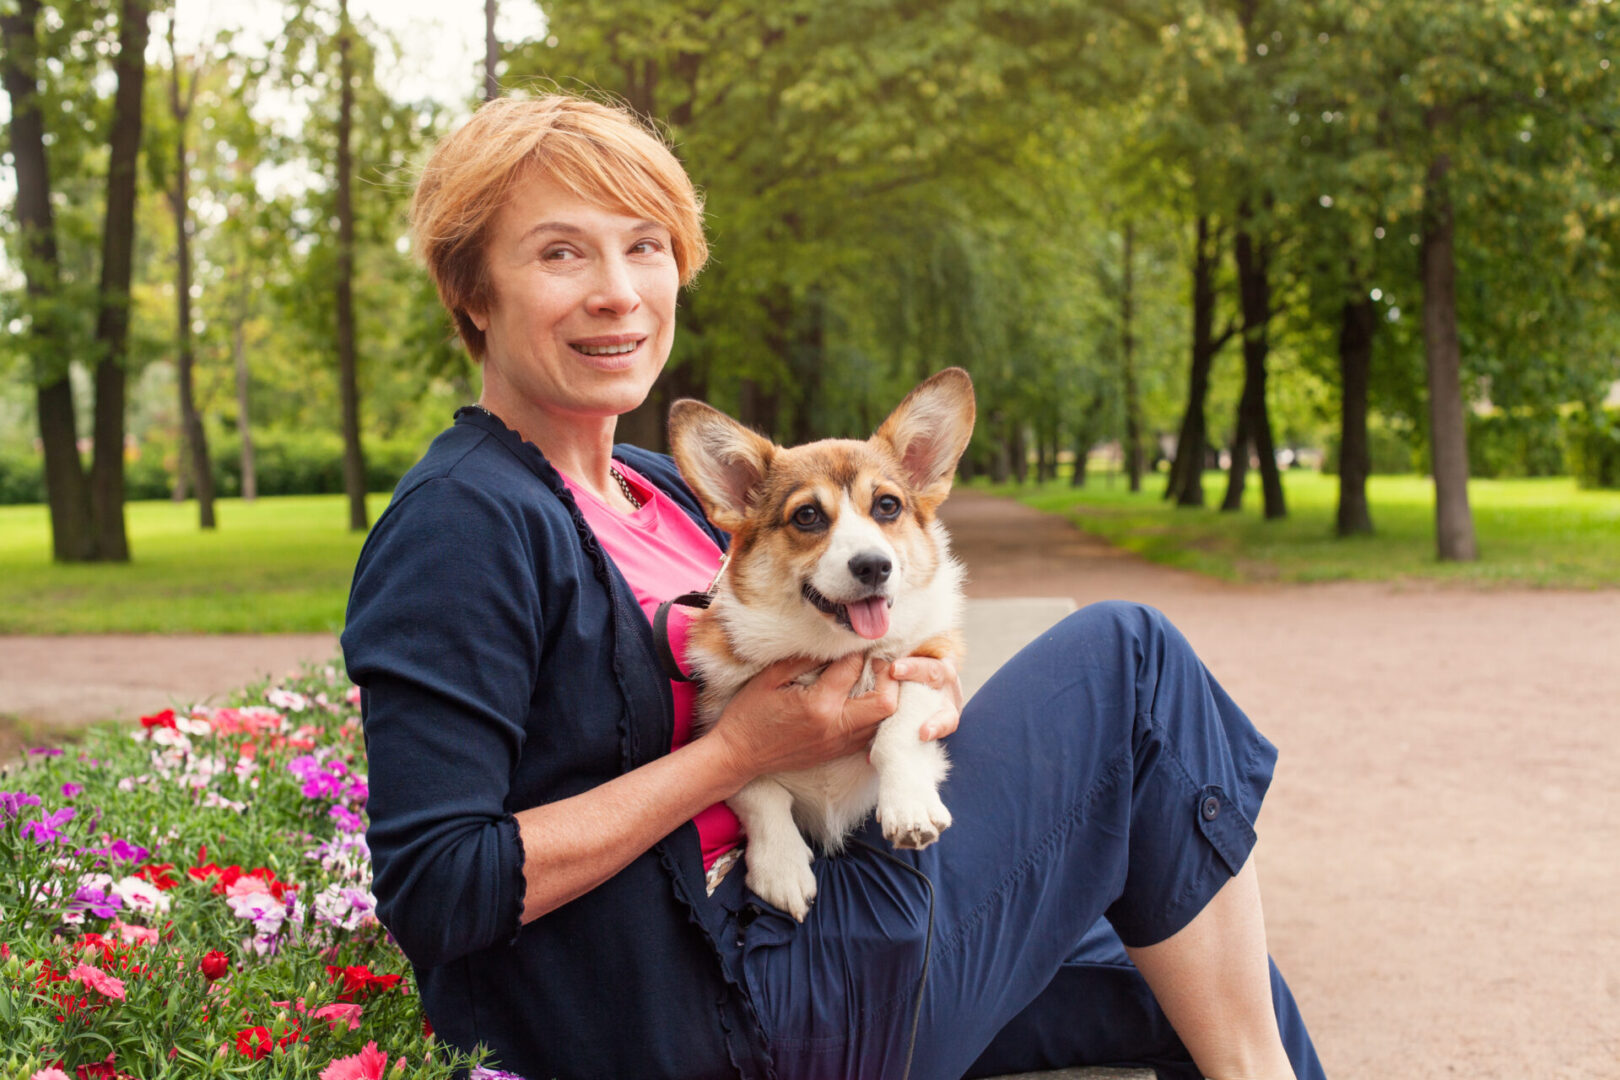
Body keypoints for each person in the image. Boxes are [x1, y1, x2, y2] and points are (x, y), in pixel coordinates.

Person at [341, 92, 1327, 1080]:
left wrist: (915, 685)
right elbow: (438, 885)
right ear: (472, 290)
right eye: (560, 254)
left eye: (644, 246)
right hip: (730, 1004)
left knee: (1194, 957)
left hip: (825, 909)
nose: (618, 291)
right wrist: (734, 756)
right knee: (1132, 661)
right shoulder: (462, 523)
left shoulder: (652, 491)